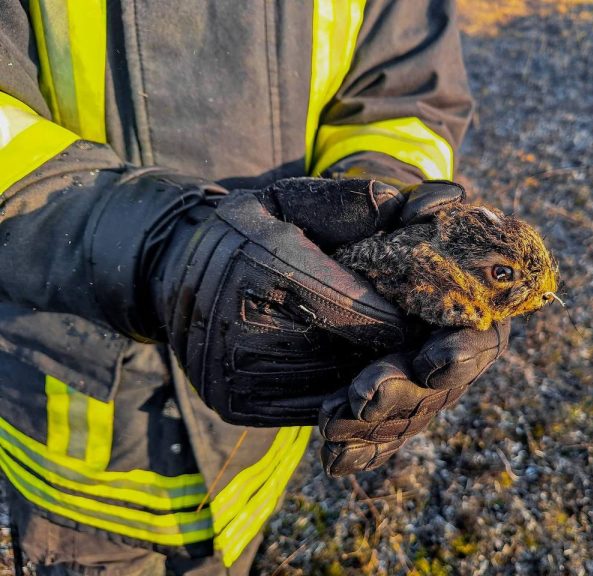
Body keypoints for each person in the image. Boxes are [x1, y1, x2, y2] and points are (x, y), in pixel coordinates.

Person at [0, 0, 511, 573]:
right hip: (81, 465)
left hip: (260, 462)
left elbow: (402, 94)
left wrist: (385, 219)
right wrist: (158, 248)